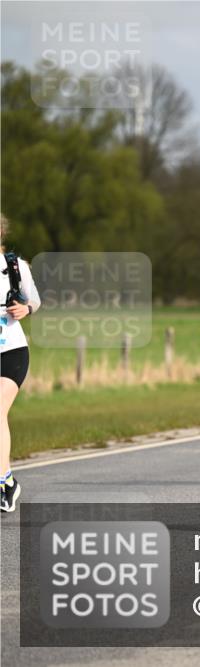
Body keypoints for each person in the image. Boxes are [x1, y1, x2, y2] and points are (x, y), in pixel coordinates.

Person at [1, 214, 40, 513]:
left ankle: (3, 483)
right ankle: (9, 481)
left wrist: (25, 308)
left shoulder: (15, 267)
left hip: (11, 351)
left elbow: (34, 302)